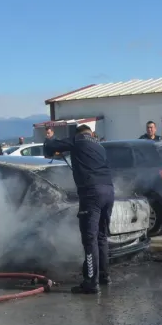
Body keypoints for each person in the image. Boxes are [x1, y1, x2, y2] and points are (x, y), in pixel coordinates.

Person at [43, 125, 114, 294]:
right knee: (101, 236)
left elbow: (51, 148)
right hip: (109, 191)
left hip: (92, 194)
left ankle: (91, 282)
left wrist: (50, 137)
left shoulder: (79, 140)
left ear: (78, 133)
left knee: (89, 239)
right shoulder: (99, 146)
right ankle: (104, 276)